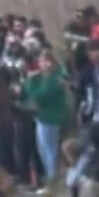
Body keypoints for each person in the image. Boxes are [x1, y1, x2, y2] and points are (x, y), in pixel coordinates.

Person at [20, 51, 68, 183]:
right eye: (41, 62)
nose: (44, 65)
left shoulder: (54, 79)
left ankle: (53, 177)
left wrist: (30, 82)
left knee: (49, 149)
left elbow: (39, 96)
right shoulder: (42, 78)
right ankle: (50, 175)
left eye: (47, 61)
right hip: (41, 117)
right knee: (42, 149)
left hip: (51, 118)